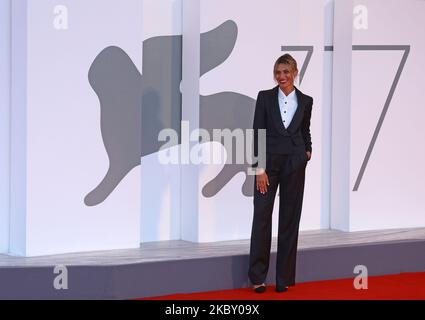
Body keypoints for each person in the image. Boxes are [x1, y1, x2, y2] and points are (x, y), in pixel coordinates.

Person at [248, 54, 313, 293]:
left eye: (286, 72)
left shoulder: (306, 101)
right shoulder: (264, 97)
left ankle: (283, 278)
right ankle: (257, 277)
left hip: (295, 163)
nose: (281, 76)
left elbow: (305, 129)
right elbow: (257, 133)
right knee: (262, 218)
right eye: (278, 72)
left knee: (289, 219)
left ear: (295, 72)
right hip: (268, 166)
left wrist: (307, 150)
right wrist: (259, 168)